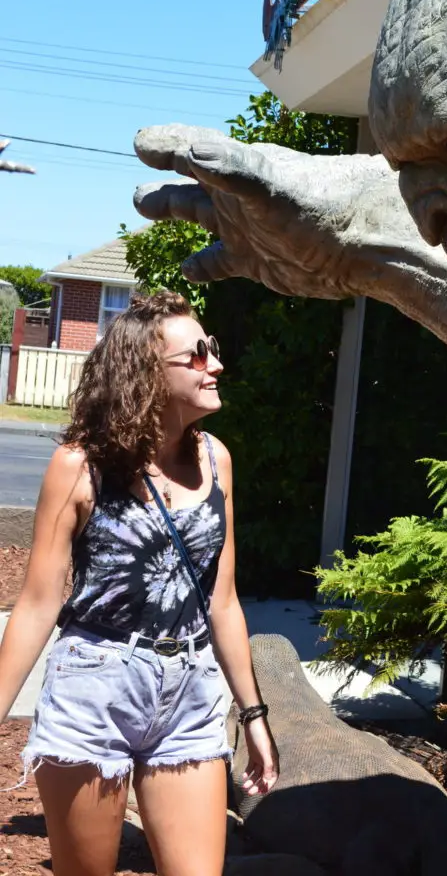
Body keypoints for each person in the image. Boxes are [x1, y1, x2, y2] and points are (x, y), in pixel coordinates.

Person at [0, 290, 279, 876]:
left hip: (191, 694)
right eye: (198, 355)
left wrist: (254, 718)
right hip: (95, 686)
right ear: (146, 374)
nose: (217, 364)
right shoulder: (81, 466)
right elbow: (38, 603)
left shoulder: (216, 459)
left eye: (214, 350)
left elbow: (222, 602)